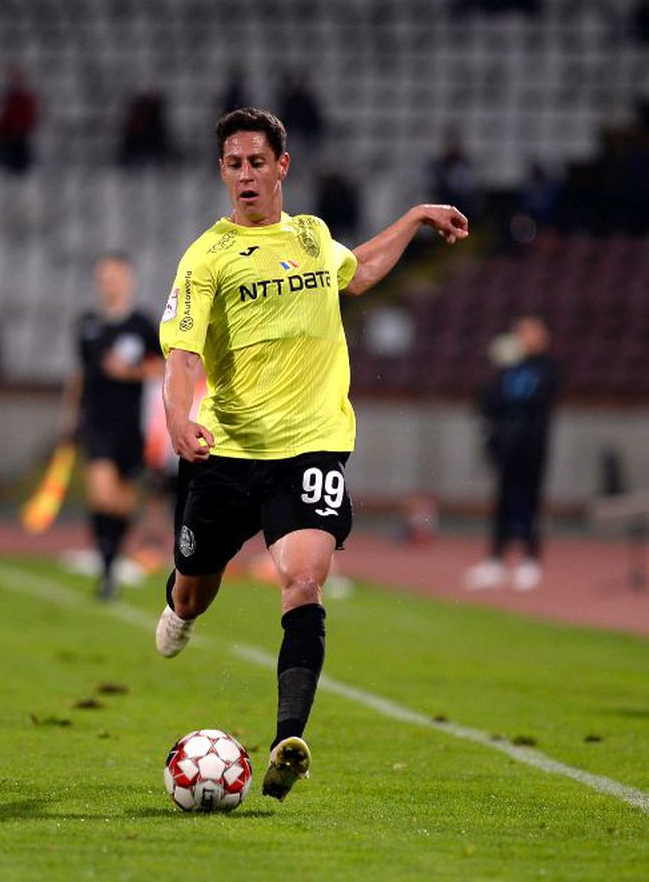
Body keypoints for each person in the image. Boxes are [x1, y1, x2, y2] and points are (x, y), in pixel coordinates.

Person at [154, 108, 468, 801]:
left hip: (312, 448)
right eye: (233, 164)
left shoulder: (312, 236)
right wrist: (179, 417)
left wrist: (415, 218)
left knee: (303, 579)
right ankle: (177, 607)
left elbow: (358, 274)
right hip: (228, 451)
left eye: (256, 162)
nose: (245, 175)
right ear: (222, 172)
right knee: (194, 587)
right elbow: (180, 355)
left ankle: (288, 737)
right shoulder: (206, 256)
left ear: (281, 167)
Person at [60, 254, 163, 600]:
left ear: (128, 280)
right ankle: (106, 571)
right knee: (101, 493)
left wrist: (130, 373)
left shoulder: (141, 324)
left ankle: (111, 563)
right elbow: (79, 373)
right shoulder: (87, 323)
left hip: (131, 426)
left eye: (115, 276)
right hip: (97, 422)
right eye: (104, 276)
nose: (109, 282)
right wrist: (71, 416)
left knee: (122, 503)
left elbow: (164, 367)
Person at [464, 317, 559, 591]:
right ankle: (495, 559)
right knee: (503, 500)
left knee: (529, 501)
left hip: (532, 446)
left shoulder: (547, 368)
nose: (523, 338)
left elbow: (539, 401)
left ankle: (530, 559)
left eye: (529, 332)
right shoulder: (506, 369)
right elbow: (488, 401)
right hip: (505, 446)